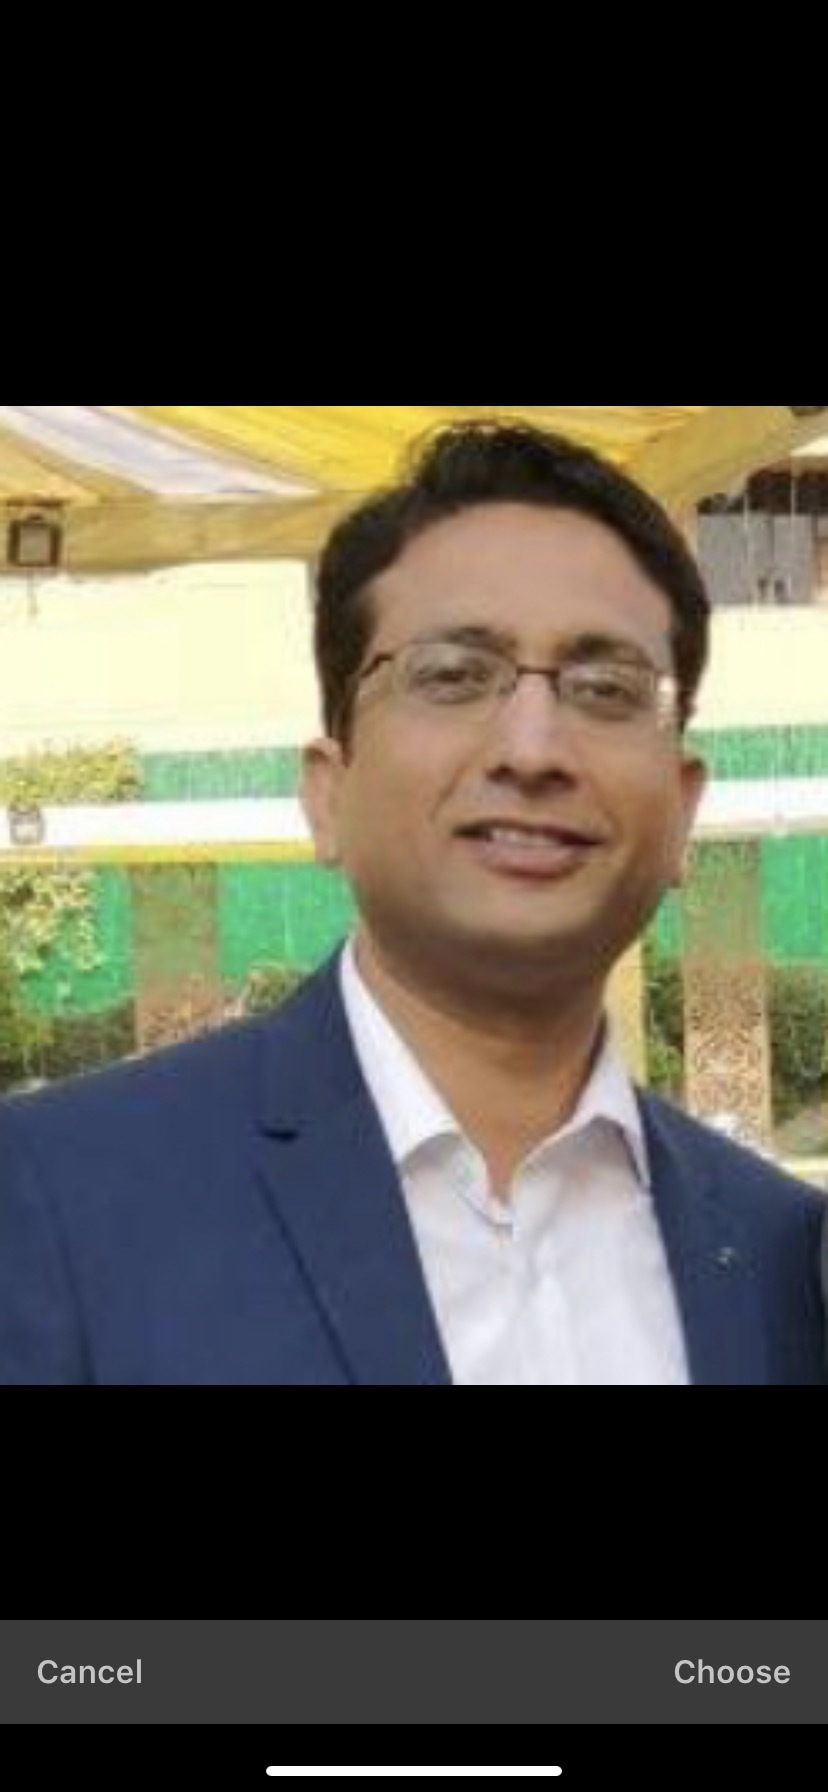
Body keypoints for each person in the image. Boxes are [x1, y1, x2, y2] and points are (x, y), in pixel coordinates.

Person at [1, 421, 824, 1384]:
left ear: (683, 810)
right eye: (453, 676)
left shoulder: (783, 1258)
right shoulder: (58, 1199)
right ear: (328, 793)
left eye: (605, 688)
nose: (532, 749)